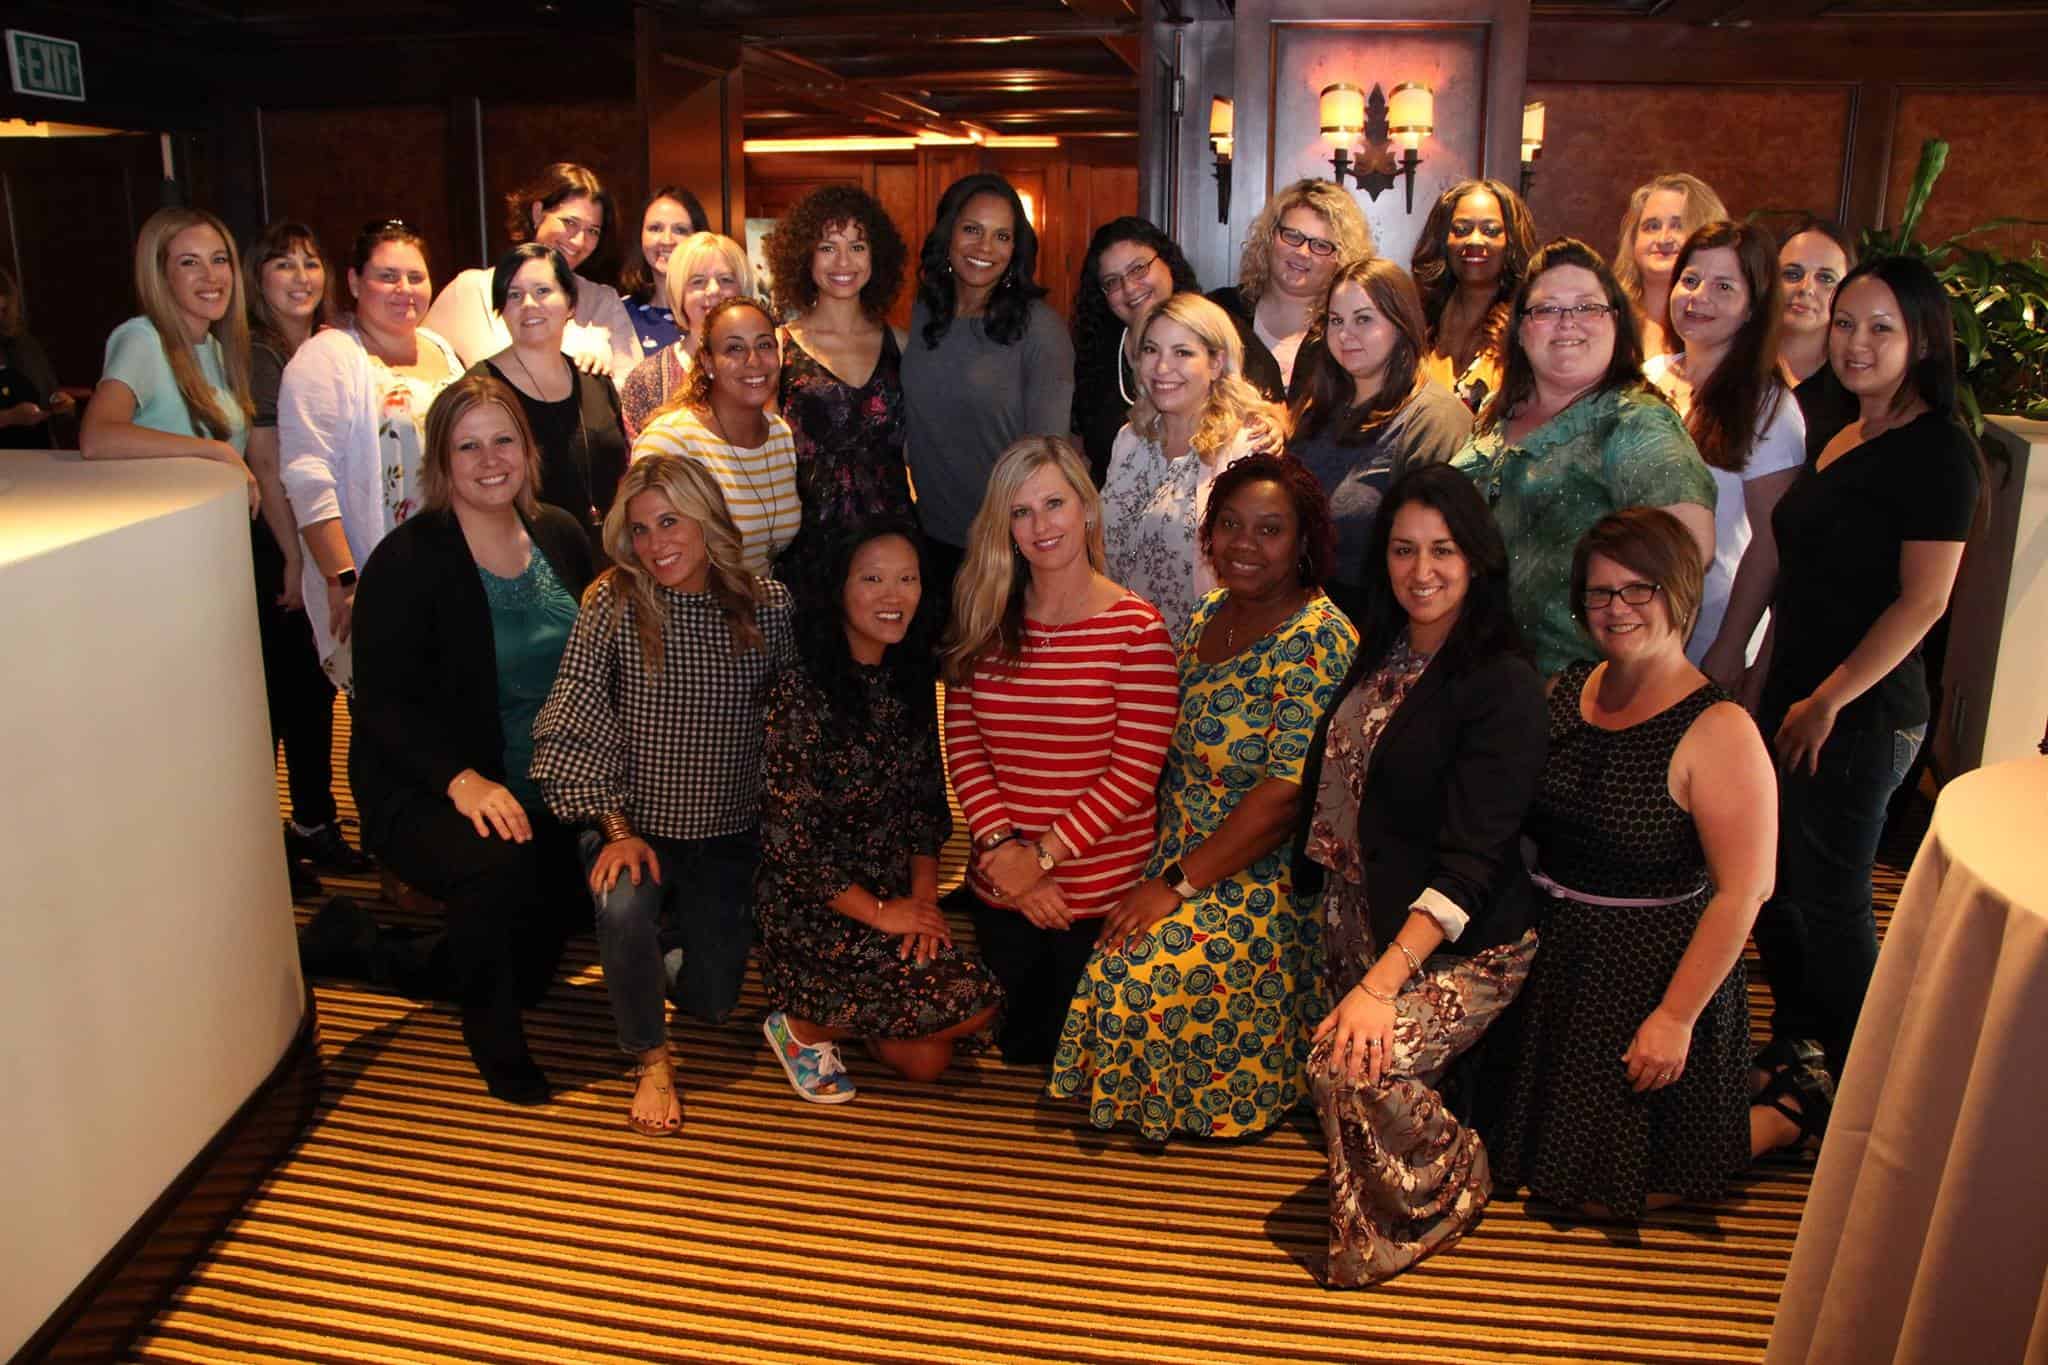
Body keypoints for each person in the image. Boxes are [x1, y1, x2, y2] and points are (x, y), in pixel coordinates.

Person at [1285, 464, 1545, 1287]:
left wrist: (1381, 982)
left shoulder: (1501, 682)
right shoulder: (1388, 644)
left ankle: (1460, 1168)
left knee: (1345, 1064)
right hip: (1356, 910)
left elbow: (1473, 863)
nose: (1420, 570)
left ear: (1477, 559)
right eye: (1403, 549)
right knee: (1319, 1055)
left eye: (1443, 550)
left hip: (1459, 941)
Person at [1051, 454, 1359, 1140]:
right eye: (1230, 525)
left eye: (1269, 529)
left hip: (1263, 868)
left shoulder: (1320, 639)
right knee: (1066, 933)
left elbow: (1285, 796)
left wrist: (1174, 884)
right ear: (1209, 536)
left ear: (1303, 542)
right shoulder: (1211, 613)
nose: (1244, 544)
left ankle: (1223, 1093)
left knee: (1137, 974)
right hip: (1175, 838)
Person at [1491, 509, 1787, 1219]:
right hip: (1557, 954)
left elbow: (1746, 891)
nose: (1615, 608)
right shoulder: (1567, 690)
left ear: (1679, 592)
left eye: (1637, 590)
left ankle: (1783, 1113)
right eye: (1599, 593)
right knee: (1512, 1155)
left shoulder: (1719, 727)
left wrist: (1675, 1017)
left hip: (1650, 967)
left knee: (1602, 1191)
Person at [1749, 255, 1982, 1096]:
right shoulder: (1842, 427)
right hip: (1797, 692)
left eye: (1881, 327)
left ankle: (1870, 1085)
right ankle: (1801, 1043)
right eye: (1845, 322)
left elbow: (1923, 605)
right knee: (1777, 891)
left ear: (1922, 340)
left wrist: (1827, 698)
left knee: (1834, 901)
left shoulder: (1941, 453)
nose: (1855, 341)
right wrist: (1769, 677)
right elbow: (1801, 577)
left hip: (1864, 707)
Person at [531, 453, 797, 1135]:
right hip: (635, 822)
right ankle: (650, 1056)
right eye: (640, 529)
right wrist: (617, 830)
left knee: (713, 1000)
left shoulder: (767, 606)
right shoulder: (613, 599)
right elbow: (574, 717)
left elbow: (796, 725)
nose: (655, 544)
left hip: (728, 829)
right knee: (623, 907)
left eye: (670, 522)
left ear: (706, 520)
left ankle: (663, 945)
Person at [349, 375, 595, 1103]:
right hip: (430, 782)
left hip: (543, 778)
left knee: (535, 955)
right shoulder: (407, 558)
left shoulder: (561, 533)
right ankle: (494, 1044)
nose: (490, 460)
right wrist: (463, 781)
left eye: (503, 440)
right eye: (468, 445)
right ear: (441, 461)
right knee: (496, 878)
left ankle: (373, 947)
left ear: (526, 448)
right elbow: (384, 709)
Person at [942, 437, 1178, 1065]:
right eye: (1021, 512)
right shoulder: (988, 616)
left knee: (1065, 1054)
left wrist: (1042, 859)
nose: (1041, 526)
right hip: (1003, 879)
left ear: (1087, 509)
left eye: (1054, 504)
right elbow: (964, 745)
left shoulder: (1137, 630)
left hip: (1096, 890)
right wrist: (1002, 854)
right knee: (1011, 1043)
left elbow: (1134, 774)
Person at [755, 520, 1004, 1103]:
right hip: (814, 909)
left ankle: (846, 1014)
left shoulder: (909, 678)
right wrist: (880, 913)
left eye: (907, 579)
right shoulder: (798, 691)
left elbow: (925, 809)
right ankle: (801, 1025)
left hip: (894, 896)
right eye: (873, 579)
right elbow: (790, 842)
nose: (894, 596)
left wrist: (920, 904)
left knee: (926, 1061)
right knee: (978, 1003)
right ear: (839, 588)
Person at [1451, 237, 1716, 678]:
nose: (1567, 322)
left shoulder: (1635, 422)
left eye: (1587, 307)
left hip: (1580, 689)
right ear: (1520, 328)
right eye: (1547, 309)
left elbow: (1690, 555)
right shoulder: (1497, 410)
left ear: (1616, 322)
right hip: (1479, 676)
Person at [279, 220, 464, 688]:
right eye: (387, 276)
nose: (405, 289)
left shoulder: (442, 347)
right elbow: (306, 477)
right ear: (355, 282)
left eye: (416, 277)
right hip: (377, 575)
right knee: (389, 720)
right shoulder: (327, 357)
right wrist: (344, 579)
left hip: (454, 566)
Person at [241, 220, 364, 880]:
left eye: (310, 263)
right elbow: (269, 460)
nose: (299, 277)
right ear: (258, 279)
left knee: (314, 691)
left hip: (315, 541)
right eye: (283, 265)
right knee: (277, 695)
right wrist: (295, 558)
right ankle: (271, 842)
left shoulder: (328, 346)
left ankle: (314, 820)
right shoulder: (257, 352)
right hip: (274, 544)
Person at [1643, 221, 1805, 694]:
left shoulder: (1770, 406)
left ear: (1753, 306)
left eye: (1723, 287)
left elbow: (1771, 541)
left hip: (1714, 622)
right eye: (1690, 281)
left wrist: (1732, 644)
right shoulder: (1650, 376)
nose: (1698, 297)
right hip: (1637, 613)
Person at [901, 172, 1075, 606]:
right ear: (949, 233)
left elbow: (1046, 461)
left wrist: (1010, 553)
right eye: (972, 230)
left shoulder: (1040, 330)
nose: (984, 248)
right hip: (932, 540)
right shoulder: (926, 314)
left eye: (1001, 236)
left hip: (1005, 552)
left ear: (1016, 249)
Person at [1287, 258, 1472, 621]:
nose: (1344, 334)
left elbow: (1434, 558)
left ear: (1401, 325)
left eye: (1363, 319)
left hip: (1381, 624)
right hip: (1303, 620)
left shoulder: (1433, 417)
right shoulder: (1319, 408)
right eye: (1336, 321)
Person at [1100, 292, 1287, 641]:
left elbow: (1264, 571)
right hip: (1124, 647)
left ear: (1216, 363)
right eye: (1151, 350)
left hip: (1205, 654)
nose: (1162, 368)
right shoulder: (1129, 440)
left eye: (1182, 352)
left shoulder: (1245, 447)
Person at [763, 185, 916, 594]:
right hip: (810, 548)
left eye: (858, 246)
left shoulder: (901, 345)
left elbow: (918, 451)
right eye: (828, 247)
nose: (844, 261)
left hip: (892, 546)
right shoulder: (779, 347)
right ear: (804, 256)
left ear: (877, 255)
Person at [1070, 217, 1284, 484]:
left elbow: (1273, 406)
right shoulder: (1096, 356)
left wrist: (1275, 425)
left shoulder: (1217, 329)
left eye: (1138, 268)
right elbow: (1081, 449)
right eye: (1113, 281)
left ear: (1168, 263)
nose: (1129, 287)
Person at [78, 207, 256, 508]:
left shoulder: (216, 349)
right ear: (162, 276)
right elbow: (97, 437)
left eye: (219, 259)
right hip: (162, 532)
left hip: (216, 528)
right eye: (190, 262)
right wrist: (214, 451)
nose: (211, 275)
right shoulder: (143, 339)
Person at [468, 243, 628, 555]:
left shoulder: (595, 380)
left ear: (570, 303)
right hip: (523, 566)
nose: (528, 304)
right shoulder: (479, 391)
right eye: (514, 295)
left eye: (542, 290)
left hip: (606, 561)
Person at [422, 162, 640, 383]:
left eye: (592, 231)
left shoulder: (602, 301)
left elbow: (634, 392)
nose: (579, 241)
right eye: (570, 223)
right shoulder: (471, 290)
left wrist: (598, 381)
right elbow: (419, 371)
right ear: (538, 214)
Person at [631, 297, 798, 577]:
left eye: (764, 345)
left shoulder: (780, 434)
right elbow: (648, 556)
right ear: (708, 362)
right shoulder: (669, 442)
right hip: (692, 617)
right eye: (734, 349)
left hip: (763, 612)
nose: (753, 360)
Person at [1207, 178, 1373, 389]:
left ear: (1340, 259)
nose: (1303, 252)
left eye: (1321, 245)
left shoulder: (1349, 333)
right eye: (1293, 236)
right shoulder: (1220, 311)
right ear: (1270, 237)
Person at [1410, 178, 1538, 415]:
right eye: (1461, 230)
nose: (1475, 240)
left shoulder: (1530, 330)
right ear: (1443, 240)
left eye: (1491, 230)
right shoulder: (1417, 326)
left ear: (1511, 242)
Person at [618, 231, 751, 441]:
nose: (714, 290)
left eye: (726, 280)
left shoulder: (764, 365)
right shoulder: (647, 379)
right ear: (679, 294)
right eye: (698, 282)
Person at [1614, 173, 1727, 363]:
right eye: (1652, 226)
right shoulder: (1609, 320)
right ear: (1633, 240)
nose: (1663, 239)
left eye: (1678, 226)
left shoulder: (1724, 329)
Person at [1776, 216, 1859, 461]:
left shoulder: (1855, 388)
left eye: (1825, 279)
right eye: (1792, 274)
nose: (1806, 288)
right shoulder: (1735, 363)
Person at [618, 185, 710, 358]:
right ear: (640, 237)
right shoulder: (617, 313)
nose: (667, 240)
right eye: (655, 228)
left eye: (680, 230)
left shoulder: (715, 312)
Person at [0, 266, 72, 449]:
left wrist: (60, 403)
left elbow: (49, 394)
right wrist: (8, 418)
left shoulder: (22, 344)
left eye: (2, 311)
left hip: (37, 455)